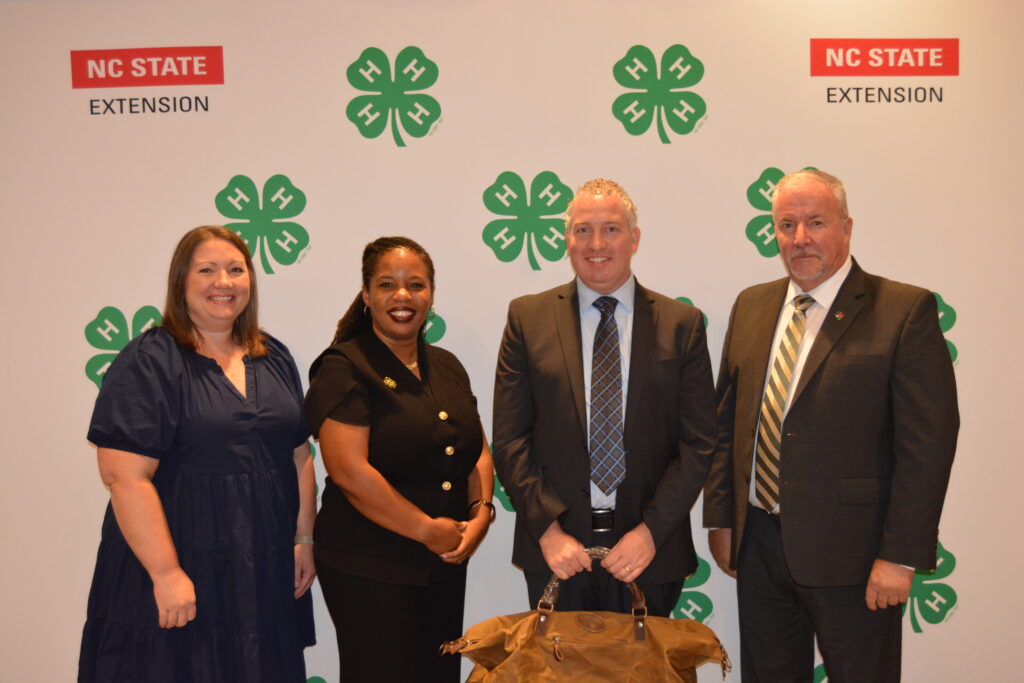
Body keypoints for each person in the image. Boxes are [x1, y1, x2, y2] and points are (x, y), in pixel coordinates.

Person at [703, 169, 959, 682]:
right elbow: (726, 424)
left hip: (859, 560)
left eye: (815, 222)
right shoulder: (751, 306)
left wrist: (900, 556)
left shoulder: (903, 311)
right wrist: (724, 518)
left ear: (846, 227)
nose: (800, 238)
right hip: (759, 548)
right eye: (787, 224)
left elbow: (927, 445)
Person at [79, 225, 316, 682]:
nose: (222, 282)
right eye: (206, 270)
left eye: (234, 269)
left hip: (261, 571)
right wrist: (166, 573)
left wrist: (303, 538)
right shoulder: (149, 360)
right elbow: (124, 476)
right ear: (181, 282)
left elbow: (300, 456)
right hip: (180, 568)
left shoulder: (274, 357)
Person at [492, 178, 717, 617]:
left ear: (634, 239)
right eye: (582, 229)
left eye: (611, 229)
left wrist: (651, 532)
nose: (596, 243)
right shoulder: (527, 318)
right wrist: (549, 531)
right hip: (558, 552)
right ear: (566, 240)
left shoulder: (681, 324)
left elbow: (699, 444)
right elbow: (509, 439)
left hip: (648, 553)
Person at [304, 236, 494, 683]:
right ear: (367, 295)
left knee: (437, 674)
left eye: (417, 285)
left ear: (431, 294)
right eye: (387, 285)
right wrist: (428, 530)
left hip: (444, 561)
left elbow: (476, 450)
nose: (403, 296)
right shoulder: (343, 367)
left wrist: (480, 514)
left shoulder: (447, 365)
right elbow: (349, 473)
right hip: (368, 563)